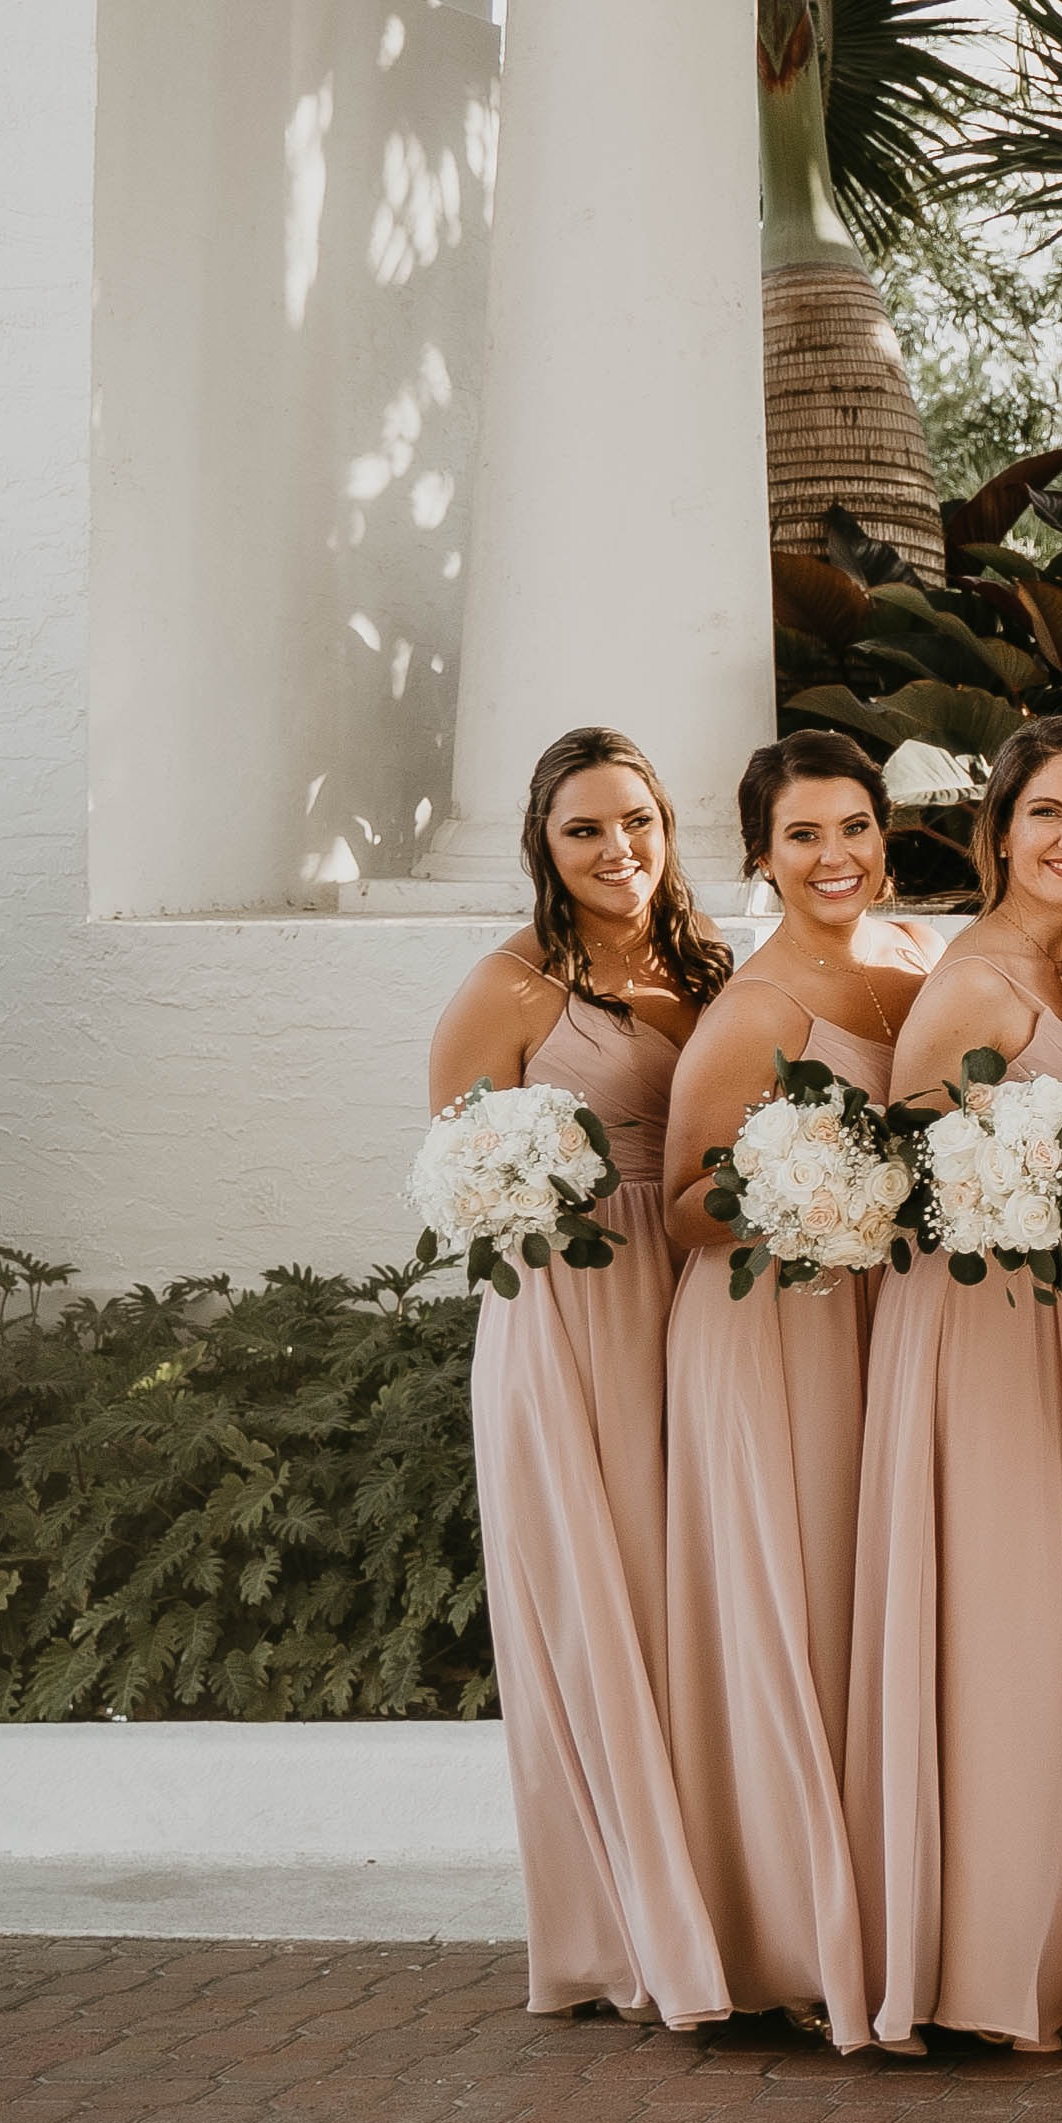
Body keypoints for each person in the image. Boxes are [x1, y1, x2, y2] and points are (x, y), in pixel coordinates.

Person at [425, 724, 732, 2025]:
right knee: (597, 1598)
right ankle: (624, 1934)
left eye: (638, 822)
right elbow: (450, 1170)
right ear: (544, 847)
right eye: (586, 829)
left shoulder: (713, 970)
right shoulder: (508, 988)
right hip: (569, 1309)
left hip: (703, 1300)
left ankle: (722, 1902)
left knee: (692, 1600)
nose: (620, 850)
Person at [851, 716, 1062, 2051]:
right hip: (966, 1323)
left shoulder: (1053, 963)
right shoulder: (973, 979)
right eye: (1048, 815)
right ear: (997, 832)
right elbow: (906, 1175)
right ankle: (972, 1968)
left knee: (1031, 1632)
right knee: (994, 1628)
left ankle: (1019, 1942)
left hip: (1036, 1313)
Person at [657, 730, 936, 2037]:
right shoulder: (759, 1007)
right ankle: (798, 1930)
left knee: (871, 1611)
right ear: (761, 855)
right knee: (798, 1601)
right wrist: (819, 1194)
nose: (837, 855)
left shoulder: (917, 958)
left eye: (856, 826)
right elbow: (683, 1201)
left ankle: (895, 1910)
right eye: (806, 834)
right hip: (773, 1326)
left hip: (881, 1318)